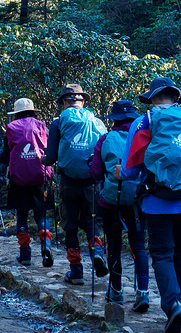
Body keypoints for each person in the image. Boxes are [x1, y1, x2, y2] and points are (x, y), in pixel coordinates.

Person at [117, 77, 181, 333]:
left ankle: (173, 306)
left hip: (156, 202)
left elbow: (129, 170)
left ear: (151, 99)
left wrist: (121, 173)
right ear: (176, 98)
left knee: (162, 255)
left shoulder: (144, 122)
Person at [42, 84, 109, 285]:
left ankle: (76, 270)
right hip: (92, 182)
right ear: (83, 101)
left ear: (64, 102)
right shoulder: (97, 122)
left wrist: (43, 160)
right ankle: (97, 251)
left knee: (70, 225)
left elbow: (51, 157)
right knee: (91, 222)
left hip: (68, 182)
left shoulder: (58, 122)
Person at [90, 100, 150, 312]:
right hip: (137, 199)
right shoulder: (143, 138)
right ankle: (142, 292)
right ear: (133, 118)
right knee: (138, 246)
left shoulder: (105, 139)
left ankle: (116, 292)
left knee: (114, 247)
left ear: (113, 119)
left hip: (111, 201)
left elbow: (95, 173)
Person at [1, 98, 52, 267]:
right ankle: (46, 244)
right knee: (41, 214)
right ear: (33, 111)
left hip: (19, 180)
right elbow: (49, 150)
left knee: (22, 215)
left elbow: (5, 156)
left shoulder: (11, 128)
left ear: (16, 113)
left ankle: (25, 256)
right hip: (40, 176)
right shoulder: (42, 126)